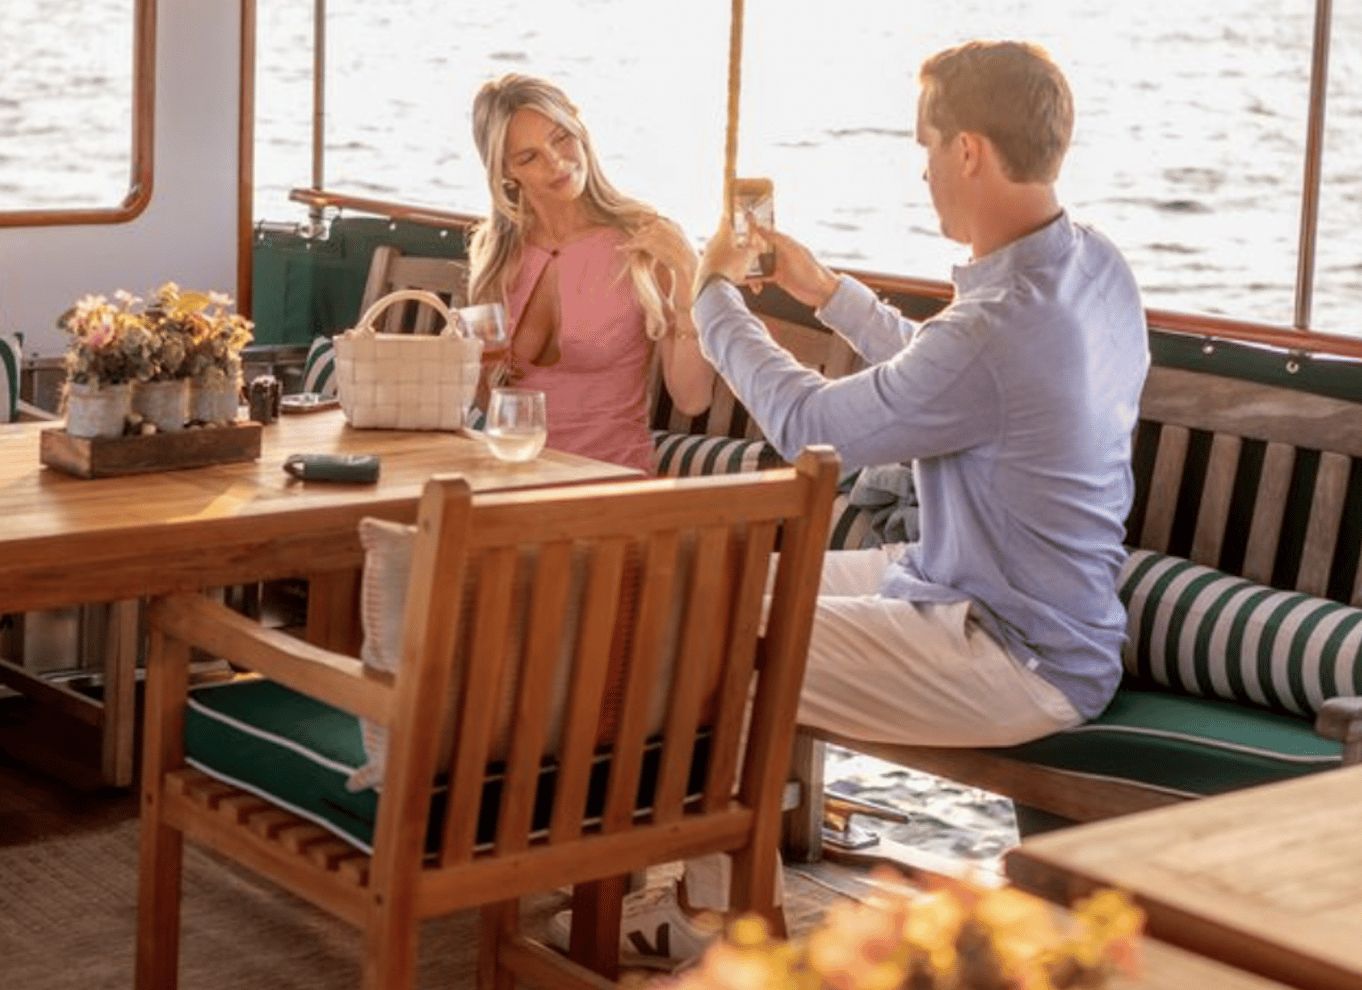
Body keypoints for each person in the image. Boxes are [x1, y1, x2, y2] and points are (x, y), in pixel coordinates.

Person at [560, 39, 1151, 963]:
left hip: (1012, 649)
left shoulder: (999, 325)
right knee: (706, 587)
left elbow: (809, 426)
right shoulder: (1092, 265)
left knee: (714, 632)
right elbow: (949, 371)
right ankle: (708, 895)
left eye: (926, 146)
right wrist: (825, 293)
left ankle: (715, 920)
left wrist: (712, 297)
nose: (922, 170)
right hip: (976, 589)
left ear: (968, 151)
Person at [467, 74, 714, 475]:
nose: (557, 162)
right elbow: (489, 401)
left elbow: (693, 399)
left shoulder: (644, 241)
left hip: (607, 484)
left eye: (561, 138)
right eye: (529, 158)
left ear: (579, 128)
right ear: (505, 173)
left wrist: (688, 271)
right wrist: (467, 365)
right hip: (516, 477)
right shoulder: (498, 254)